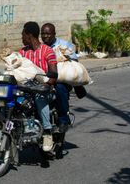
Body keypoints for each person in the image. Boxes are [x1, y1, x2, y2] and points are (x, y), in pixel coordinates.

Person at [41, 23, 87, 133]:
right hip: (46, 77)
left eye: (48, 34)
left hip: (60, 78)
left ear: (54, 34)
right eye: (43, 34)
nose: (45, 36)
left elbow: (74, 63)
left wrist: (62, 58)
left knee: (60, 88)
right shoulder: (41, 47)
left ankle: (64, 120)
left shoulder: (64, 45)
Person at [19, 21, 58, 152]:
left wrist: (44, 83)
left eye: (23, 35)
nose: (22, 38)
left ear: (29, 35)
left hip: (43, 90)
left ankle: (47, 132)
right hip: (25, 89)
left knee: (39, 96)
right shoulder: (22, 52)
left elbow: (53, 77)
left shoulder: (48, 51)